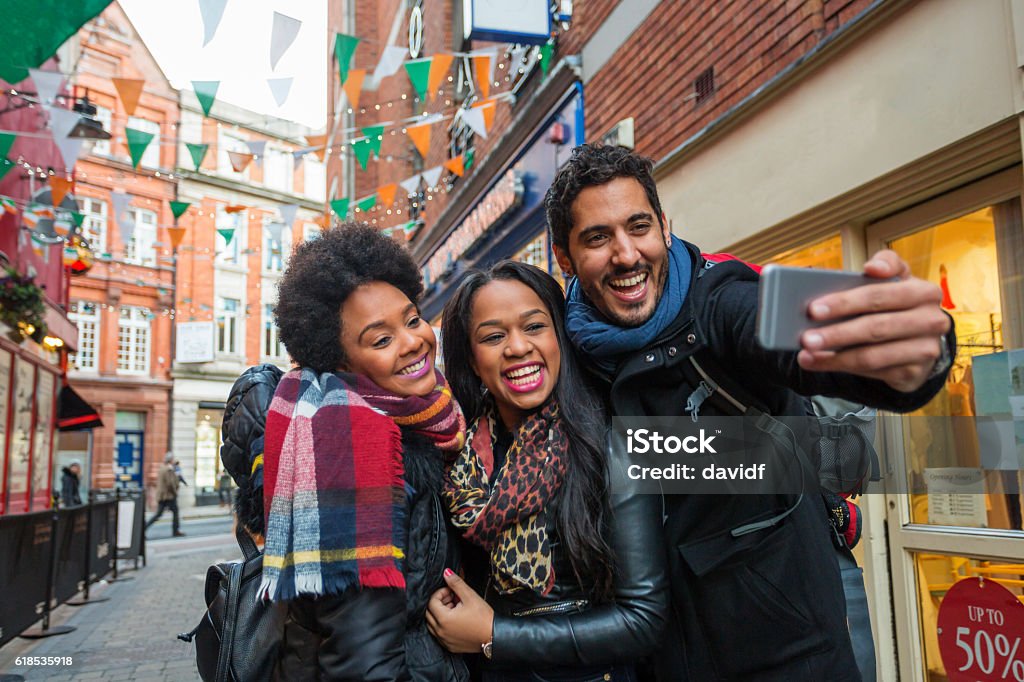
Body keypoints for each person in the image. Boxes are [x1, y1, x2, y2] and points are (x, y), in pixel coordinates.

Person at [545, 144, 955, 681]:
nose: (626, 254)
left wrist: (908, 362)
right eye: (598, 238)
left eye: (638, 226)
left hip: (785, 649)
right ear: (564, 258)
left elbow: (785, 331)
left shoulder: (719, 300)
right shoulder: (568, 353)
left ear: (665, 227)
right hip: (659, 657)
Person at [425, 261, 668, 681]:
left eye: (534, 327)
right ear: (472, 357)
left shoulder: (611, 444)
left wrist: (493, 634)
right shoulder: (456, 456)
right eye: (494, 336)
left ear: (560, 337)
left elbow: (642, 619)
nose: (517, 347)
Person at [261, 223, 468, 682]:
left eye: (411, 319)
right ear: (340, 362)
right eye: (381, 339)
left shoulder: (434, 418)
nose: (414, 341)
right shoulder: (354, 451)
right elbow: (361, 662)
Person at [145, 452, 184, 537]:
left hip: (163, 495)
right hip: (168, 496)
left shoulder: (162, 468)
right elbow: (170, 483)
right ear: (170, 460)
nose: (174, 461)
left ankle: (143, 529)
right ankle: (175, 531)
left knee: (159, 514)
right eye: (173, 459)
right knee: (174, 512)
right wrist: (175, 492)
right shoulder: (168, 469)